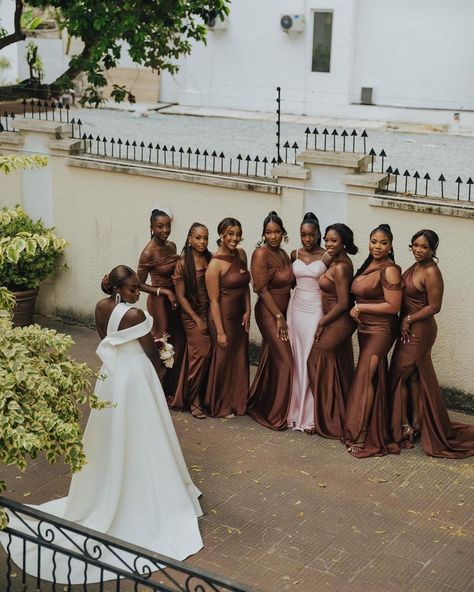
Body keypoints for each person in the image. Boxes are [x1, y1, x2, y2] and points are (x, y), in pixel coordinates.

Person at [1, 265, 203, 583]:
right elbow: (149, 352)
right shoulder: (135, 316)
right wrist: (163, 366)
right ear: (119, 289)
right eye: (134, 289)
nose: (138, 294)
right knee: (145, 429)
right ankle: (144, 483)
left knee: (112, 431)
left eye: (139, 288)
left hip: (111, 376)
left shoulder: (100, 307)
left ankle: (115, 475)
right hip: (135, 377)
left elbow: (105, 337)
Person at [389, 230, 474, 457]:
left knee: (401, 373)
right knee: (414, 375)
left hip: (420, 329)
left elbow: (435, 306)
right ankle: (414, 422)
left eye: (424, 246)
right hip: (409, 327)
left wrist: (408, 319)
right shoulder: (415, 266)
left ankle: (407, 425)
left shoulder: (431, 271)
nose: (418, 250)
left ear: (433, 250)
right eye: (415, 245)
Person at [343, 224, 402, 457]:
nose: (378, 246)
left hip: (381, 330)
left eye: (383, 242)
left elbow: (394, 306)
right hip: (365, 329)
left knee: (365, 375)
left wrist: (360, 307)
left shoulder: (390, 270)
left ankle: (362, 432)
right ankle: (371, 425)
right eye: (374, 241)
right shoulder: (369, 265)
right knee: (370, 375)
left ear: (391, 246)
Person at [307, 223, 357, 439]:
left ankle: (329, 420)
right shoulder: (333, 260)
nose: (328, 243)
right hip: (332, 321)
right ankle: (340, 413)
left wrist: (321, 322)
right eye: (326, 239)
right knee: (337, 366)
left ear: (344, 242)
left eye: (333, 240)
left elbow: (344, 303)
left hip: (339, 321)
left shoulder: (342, 267)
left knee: (316, 361)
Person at [247, 211, 295, 430]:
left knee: (271, 358)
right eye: (268, 232)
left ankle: (261, 403)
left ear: (283, 232)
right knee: (286, 361)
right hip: (269, 313)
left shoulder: (285, 254)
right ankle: (275, 416)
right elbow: (261, 289)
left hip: (285, 313)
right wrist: (279, 317)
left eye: (277, 232)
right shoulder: (260, 254)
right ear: (263, 234)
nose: (273, 236)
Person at [286, 212, 330, 432]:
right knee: (296, 357)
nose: (307, 239)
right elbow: (287, 282)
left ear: (318, 234)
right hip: (295, 310)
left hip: (315, 310)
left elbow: (332, 285)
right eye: (303, 235)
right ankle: (294, 412)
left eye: (311, 235)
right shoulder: (293, 253)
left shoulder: (327, 257)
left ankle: (310, 415)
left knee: (309, 357)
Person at [204, 218, 251, 418]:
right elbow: (213, 301)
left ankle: (237, 402)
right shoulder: (214, 265)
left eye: (237, 234)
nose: (234, 238)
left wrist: (248, 311)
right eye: (230, 234)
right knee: (222, 359)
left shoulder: (241, 254)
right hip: (222, 318)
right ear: (221, 235)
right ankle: (219, 405)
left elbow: (245, 285)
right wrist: (220, 332)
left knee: (239, 358)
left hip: (239, 318)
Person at [137, 208, 186, 398]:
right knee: (162, 345)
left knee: (178, 342)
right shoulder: (148, 252)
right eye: (160, 226)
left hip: (175, 301)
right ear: (151, 228)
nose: (165, 230)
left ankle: (172, 388)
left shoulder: (172, 245)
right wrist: (164, 291)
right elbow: (138, 283)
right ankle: (154, 390)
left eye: (168, 226)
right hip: (159, 303)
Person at [170, 223, 212, 418]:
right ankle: (193, 399)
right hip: (191, 314)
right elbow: (181, 297)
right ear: (189, 239)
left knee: (206, 354)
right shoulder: (182, 263)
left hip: (209, 311)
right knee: (201, 353)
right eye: (198, 237)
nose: (202, 242)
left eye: (205, 238)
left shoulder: (209, 258)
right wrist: (197, 319)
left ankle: (204, 395)